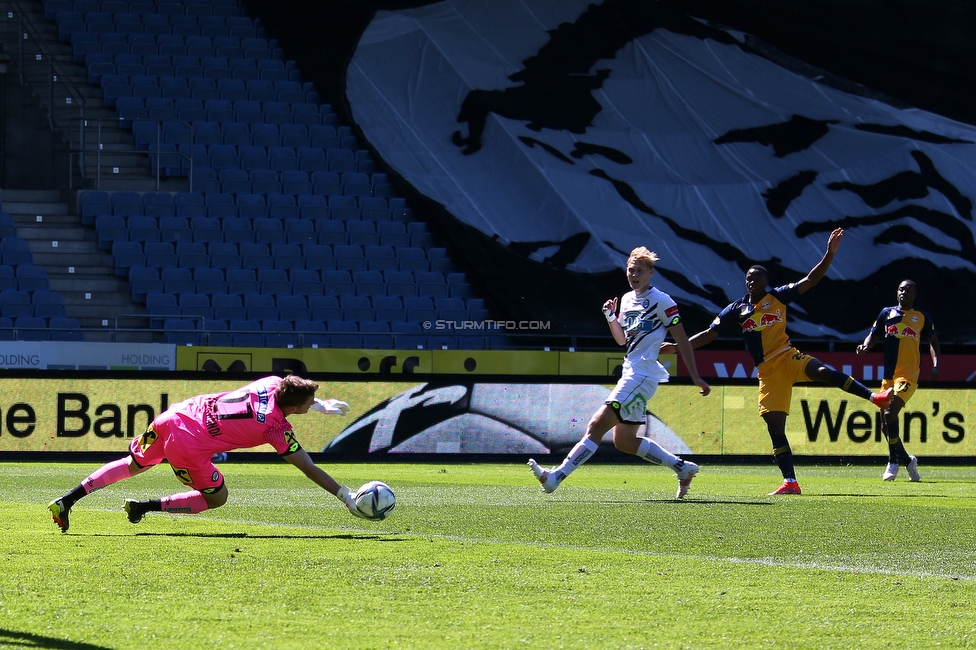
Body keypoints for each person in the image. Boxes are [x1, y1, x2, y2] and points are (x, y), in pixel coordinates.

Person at [667, 228, 893, 495]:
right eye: (749, 278)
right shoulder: (735, 309)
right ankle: (790, 482)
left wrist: (829, 254)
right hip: (768, 372)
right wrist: (679, 347)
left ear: (766, 281)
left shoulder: (778, 295)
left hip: (787, 356)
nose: (752, 281)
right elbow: (708, 334)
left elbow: (811, 279)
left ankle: (874, 397)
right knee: (775, 426)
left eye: (757, 278)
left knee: (821, 371)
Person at [48, 375, 367, 533]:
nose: (312, 405)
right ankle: (145, 507)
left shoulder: (272, 382)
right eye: (310, 402)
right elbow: (308, 468)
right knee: (217, 498)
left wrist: (320, 404)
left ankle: (68, 500)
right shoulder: (276, 429)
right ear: (295, 408)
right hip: (189, 447)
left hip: (176, 415)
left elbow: (287, 388)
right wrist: (345, 495)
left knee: (133, 464)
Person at [528, 246, 711, 499]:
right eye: (630, 270)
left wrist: (695, 375)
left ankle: (556, 477)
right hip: (631, 373)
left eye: (639, 271)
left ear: (651, 273)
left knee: (596, 425)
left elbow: (682, 340)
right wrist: (610, 317)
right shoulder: (626, 299)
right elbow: (622, 340)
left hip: (643, 375)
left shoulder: (663, 302)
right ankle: (682, 468)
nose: (634, 275)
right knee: (624, 441)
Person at [855, 279, 939, 481]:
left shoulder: (921, 317)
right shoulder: (886, 313)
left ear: (915, 295)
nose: (904, 293)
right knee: (885, 425)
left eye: (908, 290)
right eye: (901, 289)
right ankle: (908, 461)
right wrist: (866, 345)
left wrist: (936, 365)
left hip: (908, 375)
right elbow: (873, 335)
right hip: (888, 377)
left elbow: (934, 342)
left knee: (891, 412)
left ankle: (893, 461)